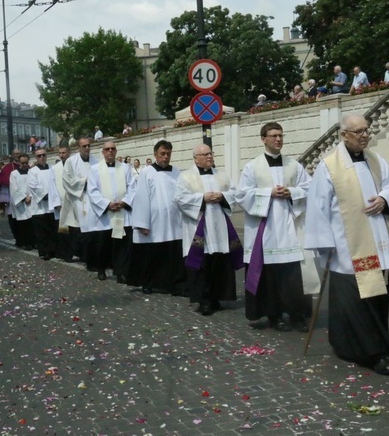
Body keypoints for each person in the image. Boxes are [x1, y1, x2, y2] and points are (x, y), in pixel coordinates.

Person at [304, 113, 389, 375]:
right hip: (347, 249)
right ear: (344, 135)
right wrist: (325, 245)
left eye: (366, 130)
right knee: (357, 303)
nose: (365, 135)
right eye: (358, 131)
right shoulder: (329, 166)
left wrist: (383, 198)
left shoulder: (375, 160)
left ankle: (378, 342)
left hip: (377, 244)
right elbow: (317, 208)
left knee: (377, 298)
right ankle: (369, 353)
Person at [236, 123, 317, 332]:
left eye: (280, 135)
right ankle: (275, 315)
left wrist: (291, 192)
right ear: (263, 139)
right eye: (273, 136)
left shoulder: (294, 165)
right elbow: (242, 194)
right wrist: (268, 193)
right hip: (266, 229)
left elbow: (309, 187)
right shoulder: (252, 167)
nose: (278, 139)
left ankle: (297, 315)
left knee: (293, 274)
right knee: (271, 275)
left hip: (290, 228)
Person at [174, 144, 244, 316]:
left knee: (219, 263)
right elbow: (180, 199)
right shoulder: (185, 177)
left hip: (219, 227)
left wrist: (223, 196)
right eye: (205, 154)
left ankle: (217, 298)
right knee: (202, 264)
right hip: (198, 227)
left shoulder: (222, 176)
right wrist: (202, 198)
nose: (209, 157)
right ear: (195, 158)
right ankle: (204, 301)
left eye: (211, 154)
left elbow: (235, 193)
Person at [129, 140, 185, 295]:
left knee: (173, 255)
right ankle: (148, 283)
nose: (165, 157)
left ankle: (173, 284)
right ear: (155, 154)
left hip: (174, 222)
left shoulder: (176, 172)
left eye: (168, 154)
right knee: (152, 256)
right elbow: (141, 198)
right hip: (154, 222)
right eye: (162, 154)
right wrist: (142, 223)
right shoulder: (147, 172)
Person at [85, 141, 136, 281]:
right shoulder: (95, 169)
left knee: (121, 244)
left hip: (121, 211)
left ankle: (120, 272)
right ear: (103, 152)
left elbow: (132, 187)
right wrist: (107, 204)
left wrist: (124, 202)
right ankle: (101, 269)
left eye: (113, 149)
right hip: (105, 215)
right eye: (107, 149)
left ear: (116, 151)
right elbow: (92, 191)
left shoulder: (125, 168)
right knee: (103, 244)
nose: (110, 151)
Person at [61, 137, 100, 269]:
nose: (87, 148)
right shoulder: (71, 162)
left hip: (94, 200)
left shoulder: (97, 161)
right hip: (79, 199)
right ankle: (86, 258)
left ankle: (96, 259)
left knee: (95, 232)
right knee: (82, 232)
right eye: (84, 146)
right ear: (78, 147)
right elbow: (66, 181)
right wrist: (85, 182)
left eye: (89, 145)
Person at [28, 148, 57, 260]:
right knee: (41, 231)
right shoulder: (32, 171)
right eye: (39, 156)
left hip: (52, 205)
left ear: (46, 156)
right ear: (36, 158)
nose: (42, 157)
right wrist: (46, 196)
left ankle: (54, 250)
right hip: (39, 206)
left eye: (43, 155)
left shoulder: (52, 169)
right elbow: (33, 186)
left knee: (52, 229)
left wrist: (54, 197)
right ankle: (45, 252)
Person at [47, 146, 75, 262]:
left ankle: (77, 252)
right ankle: (66, 254)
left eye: (64, 153)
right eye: (60, 153)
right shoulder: (55, 168)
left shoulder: (75, 165)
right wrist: (56, 202)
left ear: (69, 153)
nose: (62, 155)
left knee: (75, 229)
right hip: (61, 203)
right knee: (63, 231)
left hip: (74, 202)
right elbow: (52, 186)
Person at [9, 153, 35, 250]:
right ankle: (25, 242)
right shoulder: (14, 174)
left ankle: (33, 242)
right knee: (23, 224)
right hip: (21, 202)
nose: (24, 165)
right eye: (22, 163)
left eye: (26, 163)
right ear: (19, 162)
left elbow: (34, 186)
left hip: (31, 200)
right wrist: (24, 198)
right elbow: (14, 189)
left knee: (31, 223)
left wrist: (31, 196)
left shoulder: (32, 172)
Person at [0, 150, 22, 245]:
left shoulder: (25, 165)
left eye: (18, 153)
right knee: (13, 219)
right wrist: (4, 201)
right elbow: (2, 181)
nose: (17, 155)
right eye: (15, 153)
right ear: (12, 155)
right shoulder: (7, 168)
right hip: (11, 196)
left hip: (24, 197)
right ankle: (18, 239)